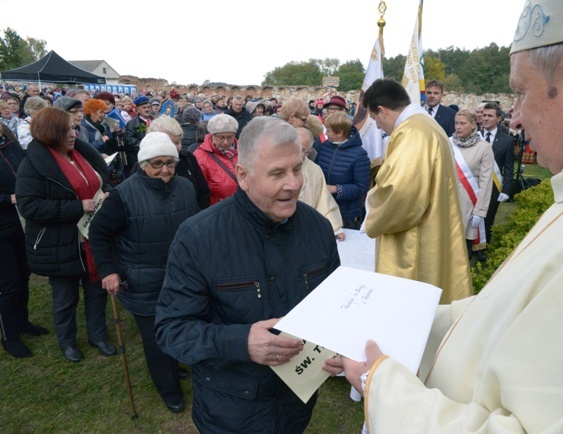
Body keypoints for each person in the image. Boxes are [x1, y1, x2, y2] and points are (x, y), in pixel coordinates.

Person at [342, 1, 563, 431]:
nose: (516, 118)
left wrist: (386, 386)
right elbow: (513, 315)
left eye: (520, 92)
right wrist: (407, 322)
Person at [155, 117, 340, 433]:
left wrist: (340, 346)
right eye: (277, 173)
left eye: (298, 168)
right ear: (243, 175)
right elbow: (172, 330)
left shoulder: (318, 228)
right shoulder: (198, 237)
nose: (294, 183)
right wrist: (242, 342)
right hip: (230, 411)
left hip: (296, 404)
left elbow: (335, 306)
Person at [89, 132, 196, 413]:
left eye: (170, 163)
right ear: (144, 164)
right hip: (142, 280)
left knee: (180, 325)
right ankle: (169, 388)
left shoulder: (185, 186)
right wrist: (108, 271)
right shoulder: (124, 194)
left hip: (181, 277)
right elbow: (98, 233)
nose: (165, 170)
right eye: (157, 163)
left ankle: (174, 367)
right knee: (156, 339)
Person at [15, 107, 115, 363]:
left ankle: (98, 335)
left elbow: (102, 179)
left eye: (74, 128)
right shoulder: (33, 165)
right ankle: (67, 342)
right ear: (51, 133)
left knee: (96, 290)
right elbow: (29, 206)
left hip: (92, 239)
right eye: (67, 129)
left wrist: (106, 195)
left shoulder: (81, 153)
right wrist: (76, 207)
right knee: (64, 297)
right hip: (59, 243)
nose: (73, 133)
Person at [361, 78, 472, 304]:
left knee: (409, 306)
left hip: (414, 243)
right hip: (433, 228)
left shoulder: (412, 132)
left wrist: (373, 200)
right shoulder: (426, 124)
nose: (379, 127)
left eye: (375, 120)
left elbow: (400, 194)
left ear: (382, 110)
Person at [0, 124, 49, 358]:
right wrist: (8, 198)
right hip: (1, 227)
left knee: (23, 276)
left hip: (20, 223)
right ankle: (9, 336)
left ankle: (22, 321)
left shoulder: (10, 145)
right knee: (8, 284)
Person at [450, 109, 494, 261]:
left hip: (470, 199)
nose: (458, 127)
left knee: (464, 244)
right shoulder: (448, 143)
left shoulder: (484, 147)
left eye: (462, 123)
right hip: (449, 197)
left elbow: (486, 181)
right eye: (456, 123)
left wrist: (480, 210)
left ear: (473, 124)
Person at [316, 112, 370, 229]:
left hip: (347, 215)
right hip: (324, 208)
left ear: (340, 133)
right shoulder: (325, 146)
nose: (326, 133)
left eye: (329, 130)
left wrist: (336, 189)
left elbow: (361, 188)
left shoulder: (359, 154)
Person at [149, 117, 211, 210]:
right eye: (169, 142)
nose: (174, 147)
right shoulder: (145, 164)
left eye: (177, 142)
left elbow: (203, 191)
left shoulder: (188, 158)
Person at [296, 127, 345, 240]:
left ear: (309, 151)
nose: (299, 154)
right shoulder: (275, 166)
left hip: (305, 231)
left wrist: (334, 228)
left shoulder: (314, 170)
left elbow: (324, 201)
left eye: (304, 150)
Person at [481, 102, 516, 243]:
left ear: (499, 119)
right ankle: (469, 246)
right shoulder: (473, 136)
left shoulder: (507, 140)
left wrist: (507, 190)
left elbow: (508, 167)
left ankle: (483, 247)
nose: (486, 118)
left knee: (488, 218)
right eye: (484, 115)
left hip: (494, 185)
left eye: (490, 115)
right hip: (474, 183)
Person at [194, 114, 240, 205]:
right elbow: (201, 191)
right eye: (221, 137)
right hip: (220, 208)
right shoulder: (200, 156)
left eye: (230, 137)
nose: (226, 142)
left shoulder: (245, 149)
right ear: (212, 135)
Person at [123, 96, 153, 172]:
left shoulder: (155, 120)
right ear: (138, 109)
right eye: (144, 108)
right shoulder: (132, 123)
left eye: (148, 107)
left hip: (153, 155)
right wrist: (144, 146)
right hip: (137, 157)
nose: (147, 109)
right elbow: (130, 140)